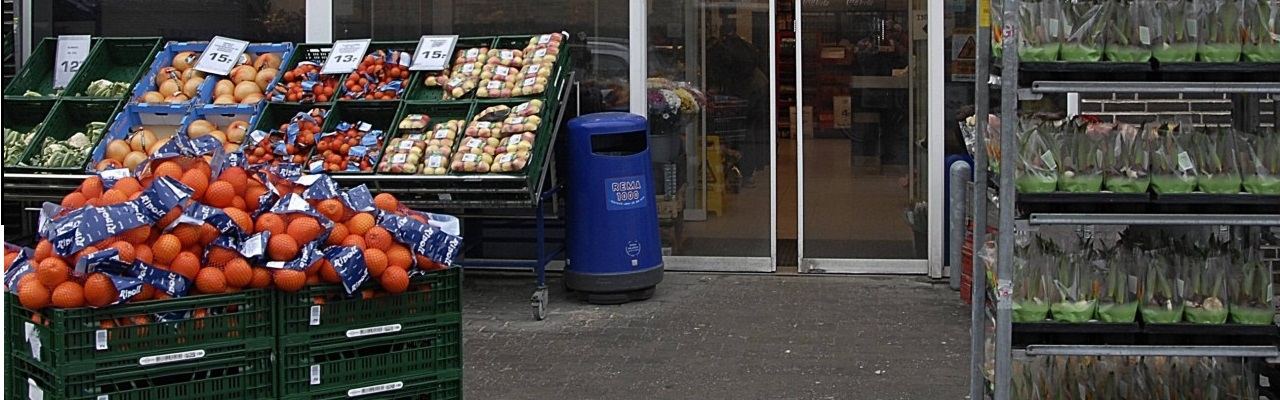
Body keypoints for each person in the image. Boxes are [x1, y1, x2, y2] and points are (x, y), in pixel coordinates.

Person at [706, 24, 769, 187]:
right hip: (758, 86)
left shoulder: (718, 53)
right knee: (751, 131)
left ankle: (745, 172)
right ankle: (750, 171)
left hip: (748, 92)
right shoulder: (732, 46)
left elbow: (723, 76)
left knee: (745, 133)